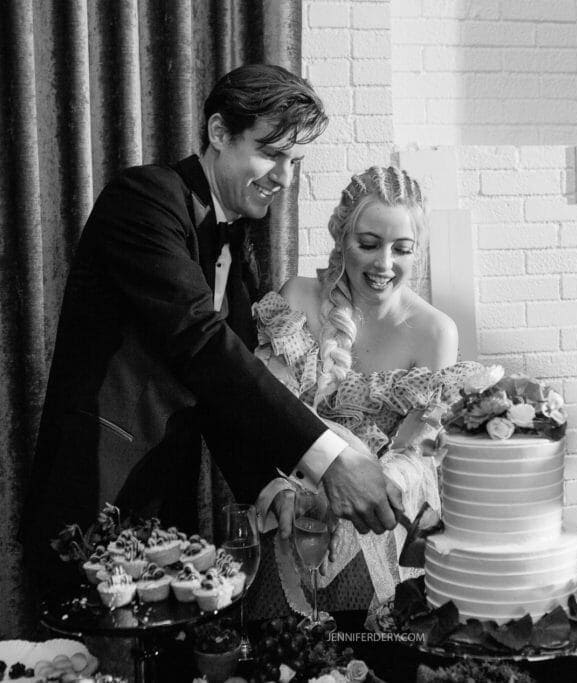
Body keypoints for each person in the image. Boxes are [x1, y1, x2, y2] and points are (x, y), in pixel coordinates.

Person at [21, 64, 402, 594]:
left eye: (295, 161)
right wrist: (330, 459)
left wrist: (270, 486)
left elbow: (224, 387)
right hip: (94, 496)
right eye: (271, 153)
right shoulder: (144, 198)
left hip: (167, 507)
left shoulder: (235, 242)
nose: (285, 178)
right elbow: (201, 343)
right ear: (220, 133)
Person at [246, 166, 479, 618]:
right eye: (369, 244)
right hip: (292, 523)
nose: (385, 264)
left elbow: (416, 455)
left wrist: (357, 493)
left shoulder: (435, 331)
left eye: (402, 249)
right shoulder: (297, 298)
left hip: (373, 540)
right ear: (341, 238)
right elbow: (266, 411)